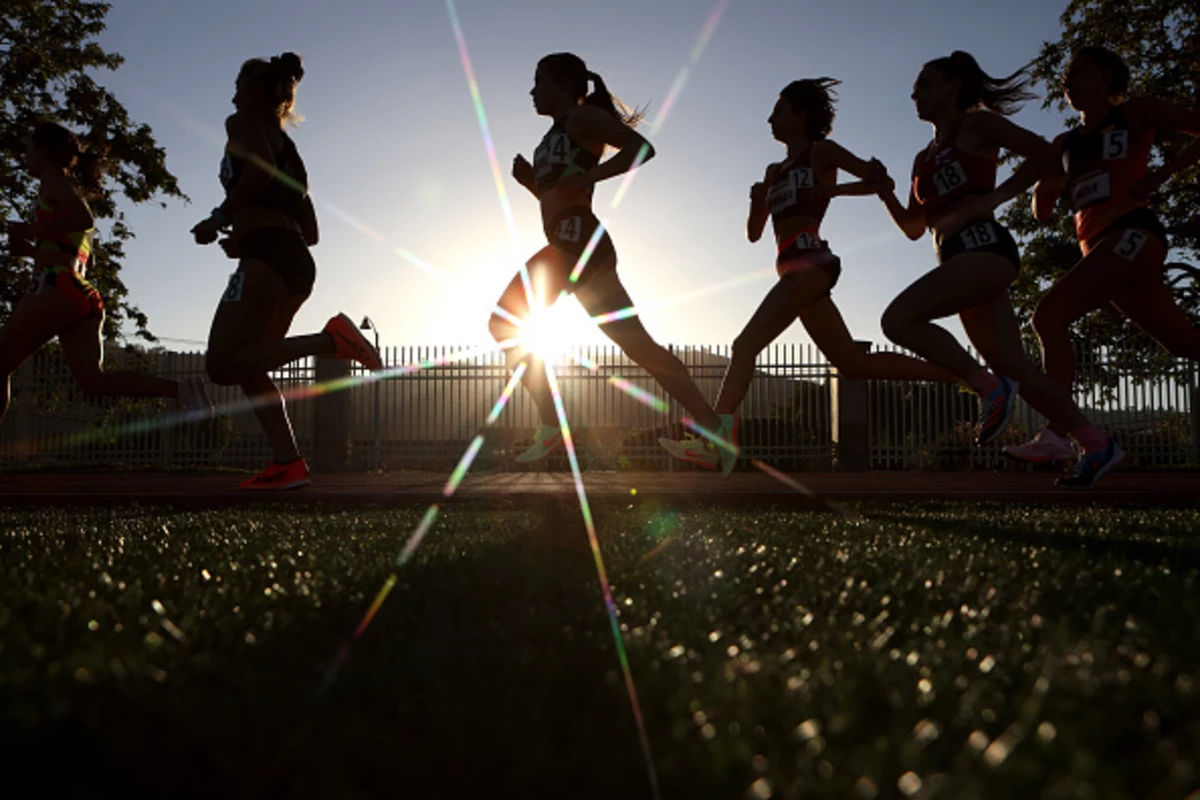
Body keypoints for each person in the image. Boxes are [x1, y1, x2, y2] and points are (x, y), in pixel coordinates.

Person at [658, 78, 958, 470]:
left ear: (801, 115)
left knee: (744, 345)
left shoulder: (821, 153)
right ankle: (959, 375)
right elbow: (753, 235)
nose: (770, 118)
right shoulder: (772, 171)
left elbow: (876, 180)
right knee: (852, 364)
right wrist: (756, 201)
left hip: (813, 263)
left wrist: (835, 190)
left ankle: (716, 441)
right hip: (789, 269)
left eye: (778, 109)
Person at [873, 51, 1122, 488]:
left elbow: (1047, 154)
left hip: (985, 249)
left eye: (925, 83)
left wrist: (995, 197)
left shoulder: (977, 125)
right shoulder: (921, 159)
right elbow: (915, 227)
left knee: (898, 320)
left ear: (953, 86)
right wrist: (884, 193)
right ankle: (1096, 443)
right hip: (957, 258)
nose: (915, 93)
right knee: (1021, 372)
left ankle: (988, 387)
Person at [492, 52, 737, 474]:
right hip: (578, 243)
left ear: (566, 84)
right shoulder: (554, 133)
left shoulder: (581, 119)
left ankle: (551, 424)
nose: (532, 91)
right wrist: (531, 183)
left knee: (504, 323)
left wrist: (592, 177)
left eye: (540, 81)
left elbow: (642, 149)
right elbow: (557, 196)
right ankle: (715, 429)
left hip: (577, 238)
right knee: (638, 346)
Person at [191, 52, 381, 490]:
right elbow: (309, 231)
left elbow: (257, 175)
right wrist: (246, 235)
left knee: (221, 365)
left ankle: (330, 340)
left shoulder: (240, 125)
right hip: (293, 261)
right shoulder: (290, 149)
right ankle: (288, 462)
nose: (232, 96)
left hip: (268, 259)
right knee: (250, 366)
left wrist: (221, 219)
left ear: (255, 91)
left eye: (238, 87)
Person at [1006, 46, 1200, 463]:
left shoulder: (1137, 112)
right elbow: (1042, 213)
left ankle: (1059, 433)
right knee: (1182, 343)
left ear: (1107, 78)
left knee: (1049, 315)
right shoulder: (1064, 142)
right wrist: (1044, 181)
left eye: (1078, 71)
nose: (1067, 80)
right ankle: (1062, 434)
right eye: (1066, 73)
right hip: (1099, 247)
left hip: (1133, 234)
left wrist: (1162, 174)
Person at [1, 122, 210, 425]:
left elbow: (81, 218)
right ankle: (182, 389)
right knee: (94, 382)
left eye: (30, 147)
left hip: (54, 287)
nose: (26, 155)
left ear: (45, 152)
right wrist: (32, 251)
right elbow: (70, 253)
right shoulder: (65, 190)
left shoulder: (53, 184)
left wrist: (30, 230)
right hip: (79, 291)